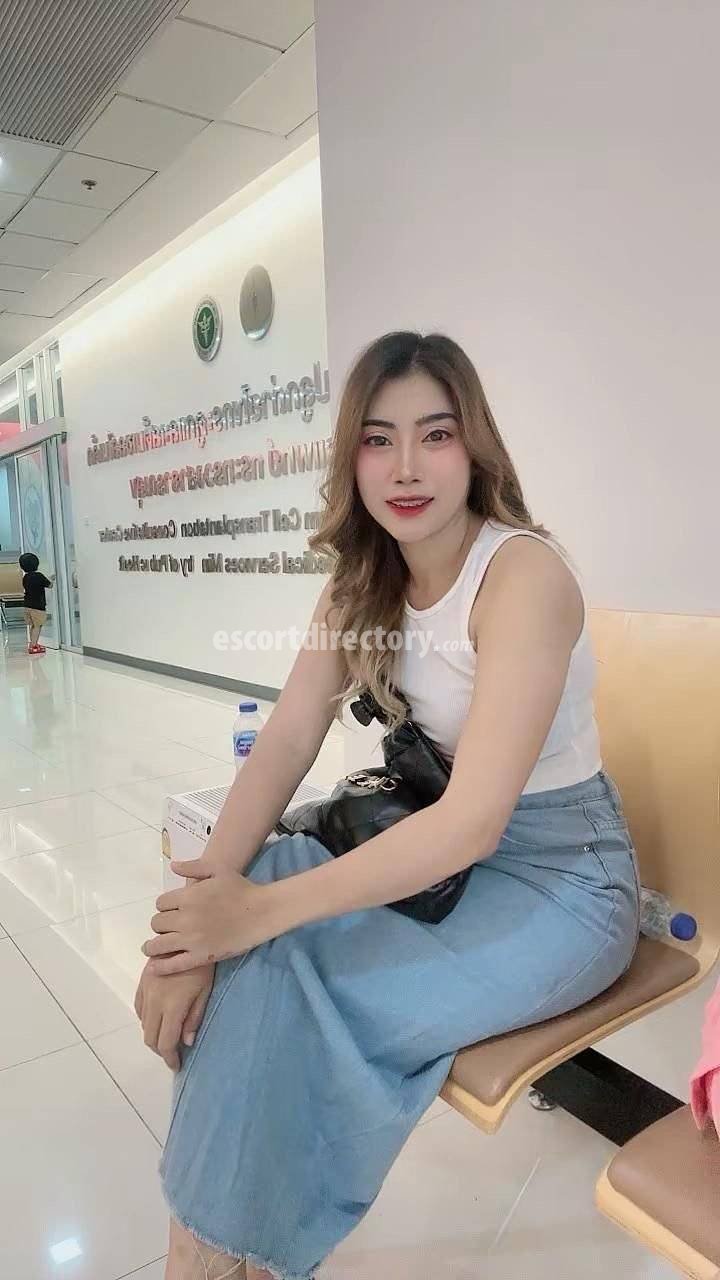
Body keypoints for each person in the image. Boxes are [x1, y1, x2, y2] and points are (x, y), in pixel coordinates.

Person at [135, 332, 640, 1280]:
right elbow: (288, 738)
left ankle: (207, 1260)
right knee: (245, 952)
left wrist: (254, 914)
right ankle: (217, 1254)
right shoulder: (362, 582)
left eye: (435, 434)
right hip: (433, 845)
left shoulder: (523, 576)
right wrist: (192, 933)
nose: (406, 466)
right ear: (351, 457)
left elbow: (475, 823)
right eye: (378, 439)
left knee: (289, 984)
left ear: (474, 447)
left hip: (561, 882)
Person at [19, 551, 53, 655]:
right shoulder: (39, 576)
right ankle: (33, 646)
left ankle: (33, 644)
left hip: (27, 605)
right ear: (36, 564)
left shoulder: (25, 577)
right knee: (38, 626)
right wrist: (51, 579)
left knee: (33, 625)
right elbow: (50, 585)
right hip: (38, 606)